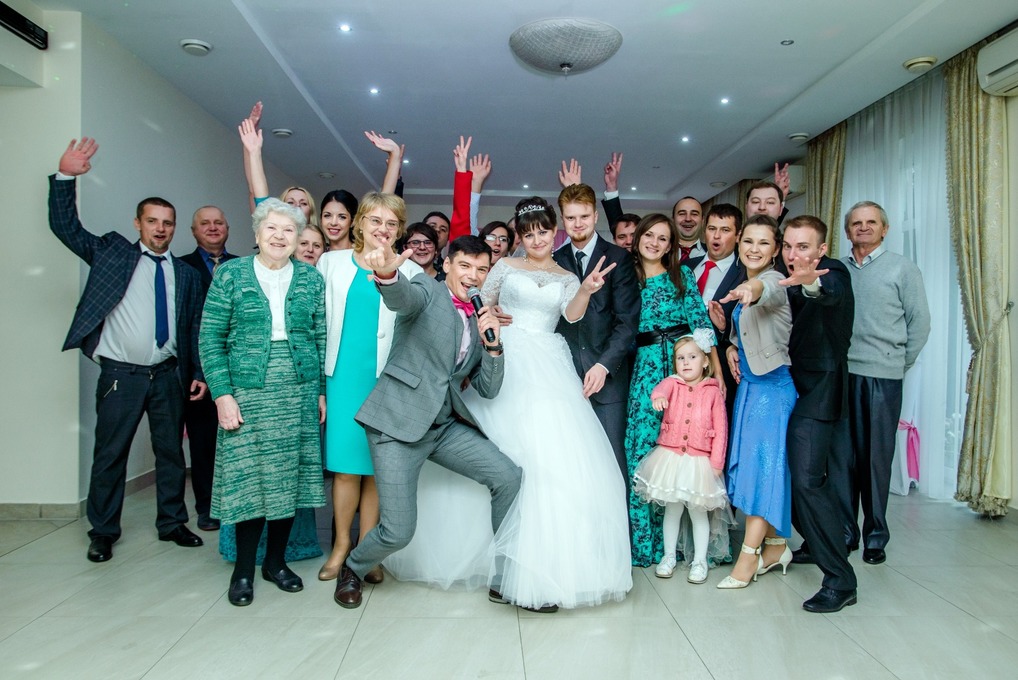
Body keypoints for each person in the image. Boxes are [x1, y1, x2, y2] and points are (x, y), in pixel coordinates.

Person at [461, 197, 633, 610]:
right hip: (507, 355)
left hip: (549, 363)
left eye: (543, 231)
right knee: (504, 450)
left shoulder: (567, 275)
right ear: (519, 237)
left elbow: (571, 316)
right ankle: (496, 562)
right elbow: (477, 301)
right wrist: (490, 312)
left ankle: (541, 564)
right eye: (529, 233)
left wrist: (586, 290)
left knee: (551, 456)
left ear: (554, 232)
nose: (537, 239)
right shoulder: (505, 266)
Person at [333, 236, 522, 609]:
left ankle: (504, 579)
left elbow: (488, 390)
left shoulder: (481, 317)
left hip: (444, 426)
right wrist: (387, 274)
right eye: (464, 265)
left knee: (508, 476)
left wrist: (493, 345)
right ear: (447, 265)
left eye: (481, 269)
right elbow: (403, 297)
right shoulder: (427, 289)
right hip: (396, 426)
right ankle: (352, 567)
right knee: (398, 532)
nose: (473, 275)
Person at [50, 138, 206, 563]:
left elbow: (194, 328)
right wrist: (65, 177)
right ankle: (103, 531)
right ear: (137, 223)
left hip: (168, 374)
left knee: (171, 453)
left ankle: (172, 523)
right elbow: (67, 228)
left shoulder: (186, 275)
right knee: (111, 453)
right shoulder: (111, 253)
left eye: (168, 223)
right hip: (121, 374)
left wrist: (198, 373)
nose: (160, 229)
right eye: (152, 221)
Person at [199, 198, 327, 606]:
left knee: (288, 480)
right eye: (271, 228)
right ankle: (243, 571)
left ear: (298, 238)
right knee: (249, 481)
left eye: (288, 230)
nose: (279, 236)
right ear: (257, 233)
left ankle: (275, 563)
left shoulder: (311, 279)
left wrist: (319, 391)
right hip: (246, 392)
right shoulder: (231, 274)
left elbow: (319, 336)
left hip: (297, 389)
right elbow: (210, 338)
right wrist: (222, 394)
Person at [316, 192, 422, 586]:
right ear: (359, 222)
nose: (383, 229)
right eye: (375, 220)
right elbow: (317, 322)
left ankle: (367, 550)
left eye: (391, 223)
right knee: (346, 468)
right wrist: (319, 387)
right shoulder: (331, 263)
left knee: (378, 469)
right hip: (342, 377)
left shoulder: (410, 270)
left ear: (400, 229)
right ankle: (341, 545)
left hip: (386, 379)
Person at [623, 214, 721, 568]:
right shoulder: (627, 277)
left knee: (683, 451)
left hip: (685, 369)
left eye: (663, 238)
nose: (654, 242)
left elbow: (701, 324)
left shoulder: (682, 276)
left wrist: (716, 372)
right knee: (642, 451)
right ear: (638, 238)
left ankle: (682, 547)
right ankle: (645, 545)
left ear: (670, 245)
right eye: (649, 235)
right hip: (645, 370)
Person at [839, 201, 930, 565]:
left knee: (876, 459)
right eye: (856, 223)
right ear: (847, 231)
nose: (863, 228)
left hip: (883, 376)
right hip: (844, 374)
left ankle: (875, 536)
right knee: (844, 459)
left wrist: (897, 363)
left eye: (871, 222)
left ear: (885, 229)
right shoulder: (839, 269)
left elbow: (920, 323)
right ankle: (847, 532)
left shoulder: (902, 269)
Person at [779, 215, 858, 613]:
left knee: (809, 481)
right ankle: (813, 540)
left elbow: (828, 291)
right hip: (789, 387)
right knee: (790, 476)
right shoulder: (786, 276)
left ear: (822, 249)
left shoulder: (833, 272)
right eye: (788, 246)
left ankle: (841, 581)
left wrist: (811, 281)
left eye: (803, 247)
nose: (794, 254)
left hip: (820, 392)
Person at [717, 214, 796, 589]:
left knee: (762, 472)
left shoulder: (774, 280)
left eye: (764, 242)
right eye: (748, 241)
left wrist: (750, 290)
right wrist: (731, 346)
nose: (754, 248)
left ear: (776, 249)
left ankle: (748, 558)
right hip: (750, 387)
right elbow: (749, 331)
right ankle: (777, 547)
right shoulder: (745, 282)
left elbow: (766, 290)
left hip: (772, 391)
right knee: (763, 467)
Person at [553, 182, 641, 485]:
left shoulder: (618, 257)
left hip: (608, 380)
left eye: (584, 216)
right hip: (564, 378)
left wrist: (604, 365)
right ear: (563, 219)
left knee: (612, 462)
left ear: (595, 216)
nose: (578, 224)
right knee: (569, 461)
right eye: (571, 218)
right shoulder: (555, 260)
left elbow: (627, 321)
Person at [634, 331, 731, 584]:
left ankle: (699, 561)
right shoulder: (673, 383)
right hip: (671, 457)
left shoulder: (713, 392)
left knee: (698, 513)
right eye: (680, 358)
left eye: (692, 357)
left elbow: (721, 429)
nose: (686, 362)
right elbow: (660, 390)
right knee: (673, 510)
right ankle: (668, 556)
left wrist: (717, 462)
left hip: (699, 462)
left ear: (706, 361)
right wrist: (659, 398)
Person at [179, 205, 237, 531]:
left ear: (227, 228)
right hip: (197, 371)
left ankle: (233, 504)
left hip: (238, 370)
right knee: (202, 443)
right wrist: (195, 371)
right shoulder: (181, 267)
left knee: (235, 441)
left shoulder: (243, 266)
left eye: (219, 222)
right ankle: (207, 508)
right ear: (194, 231)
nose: (213, 228)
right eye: (205, 223)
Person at [689, 203, 746, 420]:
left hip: (721, 367)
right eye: (712, 228)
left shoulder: (744, 274)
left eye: (725, 230)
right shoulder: (687, 266)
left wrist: (724, 329)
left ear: (738, 235)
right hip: (682, 364)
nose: (717, 236)